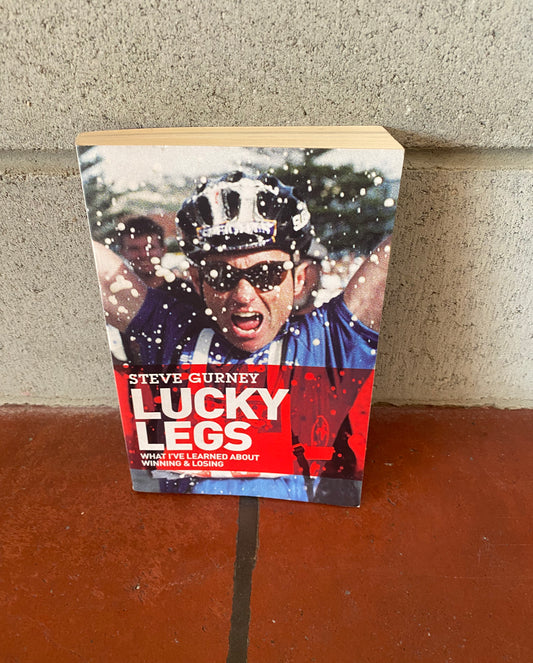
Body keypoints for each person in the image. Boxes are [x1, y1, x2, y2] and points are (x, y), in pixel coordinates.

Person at [93, 172, 391, 502]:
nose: (243, 295)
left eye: (266, 273)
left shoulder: (330, 341)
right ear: (198, 281)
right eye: (221, 275)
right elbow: (90, 262)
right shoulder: (173, 332)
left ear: (299, 280)